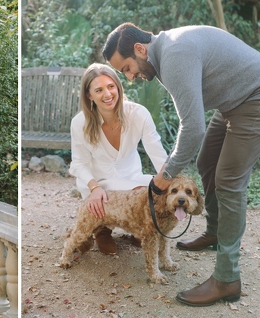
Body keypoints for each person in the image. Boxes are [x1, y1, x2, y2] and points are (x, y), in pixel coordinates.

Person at [102, 22, 260, 306]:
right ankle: (214, 232)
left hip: (254, 97)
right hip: (232, 103)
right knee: (206, 161)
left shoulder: (174, 55)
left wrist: (167, 175)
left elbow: (193, 129)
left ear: (140, 49)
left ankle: (227, 279)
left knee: (228, 181)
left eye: (126, 68)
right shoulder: (164, 53)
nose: (130, 77)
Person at [69, 63, 168, 254]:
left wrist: (168, 181)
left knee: (151, 189)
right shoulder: (80, 122)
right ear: (89, 95)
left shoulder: (138, 114)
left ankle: (139, 228)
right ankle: (101, 229)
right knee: (105, 195)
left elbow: (157, 152)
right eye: (99, 90)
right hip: (98, 181)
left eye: (111, 86)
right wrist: (94, 188)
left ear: (118, 87)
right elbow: (78, 162)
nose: (107, 94)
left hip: (131, 175)